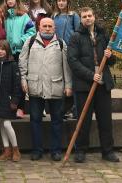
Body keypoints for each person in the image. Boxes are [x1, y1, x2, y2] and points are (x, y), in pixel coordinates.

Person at [67, 7, 119, 163]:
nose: (87, 18)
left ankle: (107, 151)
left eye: (90, 15)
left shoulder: (103, 35)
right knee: (83, 120)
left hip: (103, 84)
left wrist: (110, 56)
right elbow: (73, 61)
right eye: (84, 16)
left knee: (105, 120)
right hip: (84, 85)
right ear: (81, 19)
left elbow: (112, 60)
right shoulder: (75, 37)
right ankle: (81, 150)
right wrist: (91, 75)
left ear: (94, 17)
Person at [19, 17, 72, 161]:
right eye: (44, 26)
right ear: (39, 27)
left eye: (50, 26)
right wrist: (23, 79)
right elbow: (22, 62)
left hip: (56, 86)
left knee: (57, 120)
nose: (47, 28)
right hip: (35, 86)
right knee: (35, 120)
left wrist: (68, 85)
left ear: (54, 28)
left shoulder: (61, 43)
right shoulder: (30, 42)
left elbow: (66, 67)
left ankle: (56, 150)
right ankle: (37, 150)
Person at [0, 40, 22, 162]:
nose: (0, 51)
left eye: (3, 49)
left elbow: (17, 85)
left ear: (7, 51)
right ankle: (6, 150)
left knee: (7, 123)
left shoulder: (13, 64)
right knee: (1, 124)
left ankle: (16, 149)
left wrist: (15, 101)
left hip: (9, 100)